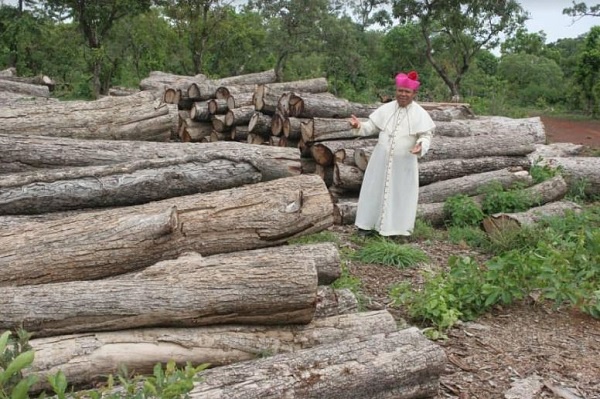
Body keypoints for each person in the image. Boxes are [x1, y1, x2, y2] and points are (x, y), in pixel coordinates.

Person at [349, 71, 435, 238]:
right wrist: (358, 125)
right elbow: (370, 127)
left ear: (414, 94)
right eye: (400, 91)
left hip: (404, 164)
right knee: (373, 191)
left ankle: (396, 231)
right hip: (380, 161)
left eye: (407, 92)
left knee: (400, 196)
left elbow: (426, 135)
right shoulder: (386, 109)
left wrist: (421, 146)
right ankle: (366, 227)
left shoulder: (420, 114)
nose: (403, 94)